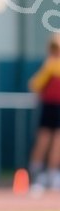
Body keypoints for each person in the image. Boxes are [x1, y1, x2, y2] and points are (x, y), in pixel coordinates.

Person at [27, 33, 60, 194]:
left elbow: (34, 85)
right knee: (46, 139)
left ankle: (48, 174)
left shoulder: (50, 65)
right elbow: (35, 85)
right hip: (50, 106)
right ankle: (39, 173)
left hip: (51, 106)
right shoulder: (50, 65)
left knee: (53, 140)